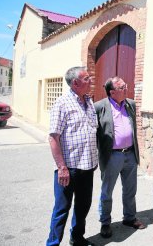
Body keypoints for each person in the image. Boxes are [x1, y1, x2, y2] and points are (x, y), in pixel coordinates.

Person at [47, 66, 98, 246]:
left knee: (83, 206)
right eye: (86, 79)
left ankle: (77, 238)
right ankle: (52, 243)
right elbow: (54, 137)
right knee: (62, 209)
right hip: (69, 168)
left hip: (88, 167)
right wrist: (62, 167)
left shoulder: (89, 102)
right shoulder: (62, 103)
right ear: (75, 83)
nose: (90, 80)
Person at [94, 77, 145, 238]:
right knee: (107, 192)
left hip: (130, 153)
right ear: (112, 92)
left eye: (125, 85)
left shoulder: (130, 104)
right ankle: (105, 222)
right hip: (112, 156)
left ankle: (129, 218)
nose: (126, 88)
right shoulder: (100, 107)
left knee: (130, 190)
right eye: (122, 86)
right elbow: (94, 133)